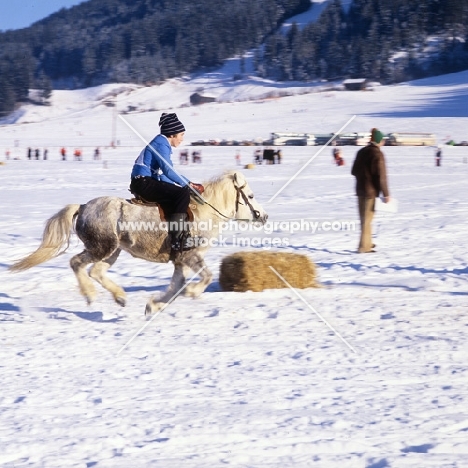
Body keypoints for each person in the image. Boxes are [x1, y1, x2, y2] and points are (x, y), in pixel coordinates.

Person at [129, 112, 204, 256]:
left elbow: (164, 176)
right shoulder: (161, 143)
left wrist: (186, 185)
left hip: (145, 180)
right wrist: (188, 185)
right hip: (143, 182)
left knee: (178, 191)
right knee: (181, 193)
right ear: (172, 134)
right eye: (181, 135)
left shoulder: (160, 142)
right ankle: (179, 240)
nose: (182, 139)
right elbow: (169, 171)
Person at [351, 128, 390, 253]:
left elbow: (353, 171)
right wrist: (386, 194)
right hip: (371, 192)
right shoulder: (377, 154)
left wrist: (363, 178)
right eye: (383, 140)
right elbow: (381, 176)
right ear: (379, 141)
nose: (383, 143)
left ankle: (367, 242)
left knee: (364, 219)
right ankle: (364, 247)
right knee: (367, 220)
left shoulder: (361, 151)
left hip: (360, 190)